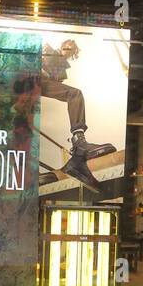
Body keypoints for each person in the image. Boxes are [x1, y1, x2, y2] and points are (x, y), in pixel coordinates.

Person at [41, 38, 115, 192]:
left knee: (74, 94)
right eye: (68, 50)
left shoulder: (61, 67)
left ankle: (79, 142)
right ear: (63, 46)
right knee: (74, 94)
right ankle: (79, 145)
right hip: (27, 77)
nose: (68, 54)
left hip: (38, 82)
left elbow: (54, 83)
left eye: (71, 53)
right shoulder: (49, 51)